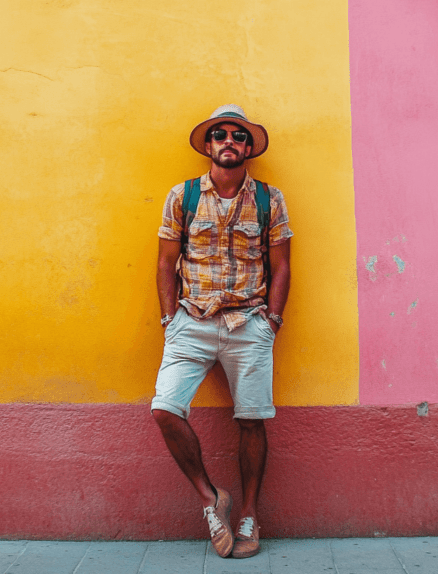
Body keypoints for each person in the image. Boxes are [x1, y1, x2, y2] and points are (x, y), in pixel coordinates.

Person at [151, 104, 293, 559]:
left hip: (249, 323)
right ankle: (213, 500)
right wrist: (169, 319)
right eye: (220, 135)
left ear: (248, 147)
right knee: (164, 409)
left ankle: (249, 514)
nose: (229, 141)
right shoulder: (183, 195)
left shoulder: (270, 199)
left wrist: (272, 320)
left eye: (238, 136)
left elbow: (282, 264)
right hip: (191, 322)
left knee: (251, 420)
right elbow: (164, 261)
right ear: (209, 146)